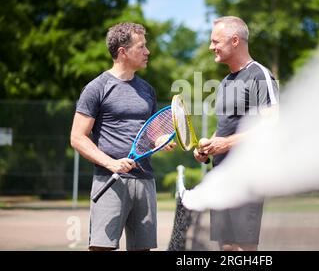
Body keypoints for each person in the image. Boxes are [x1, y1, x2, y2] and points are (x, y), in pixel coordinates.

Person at [70, 22, 174, 251]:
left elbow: (150, 132)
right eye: (141, 47)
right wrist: (112, 163)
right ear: (122, 52)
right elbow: (77, 137)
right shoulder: (96, 88)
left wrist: (159, 140)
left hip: (145, 179)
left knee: (142, 249)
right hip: (109, 180)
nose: (148, 52)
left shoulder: (147, 89)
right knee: (102, 248)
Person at [194, 16, 279, 251]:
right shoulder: (224, 82)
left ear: (234, 41)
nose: (211, 47)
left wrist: (227, 144)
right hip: (221, 177)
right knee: (228, 247)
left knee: (243, 249)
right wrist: (208, 147)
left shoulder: (259, 74)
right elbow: (226, 127)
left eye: (215, 41)